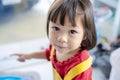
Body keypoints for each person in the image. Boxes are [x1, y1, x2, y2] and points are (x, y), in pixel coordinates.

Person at [12, 0, 97, 80]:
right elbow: (49, 53)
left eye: (72, 31)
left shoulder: (81, 69)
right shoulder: (56, 48)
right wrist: (28, 56)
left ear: (85, 34)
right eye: (56, 28)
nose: (61, 38)